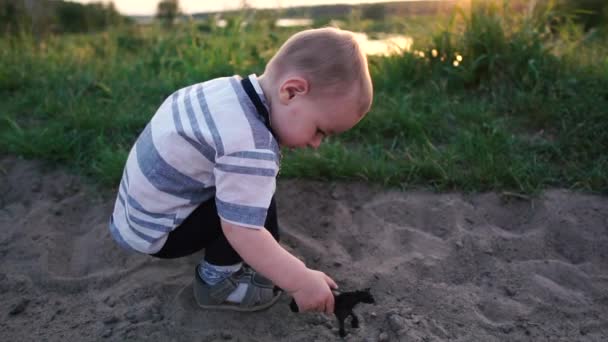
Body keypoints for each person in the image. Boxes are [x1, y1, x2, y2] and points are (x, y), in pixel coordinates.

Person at [108, 27, 373, 314]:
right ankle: (217, 284)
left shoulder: (226, 90)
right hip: (159, 233)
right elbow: (242, 230)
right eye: (319, 130)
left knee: (254, 192)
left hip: (134, 215)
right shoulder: (251, 145)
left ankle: (250, 259)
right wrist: (300, 282)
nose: (316, 144)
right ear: (291, 91)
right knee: (250, 210)